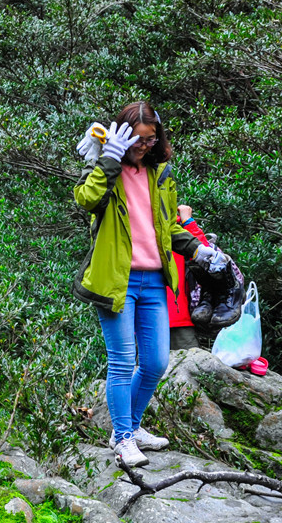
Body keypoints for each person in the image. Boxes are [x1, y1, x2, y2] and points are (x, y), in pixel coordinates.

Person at [72, 101, 230, 468]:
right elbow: (86, 200)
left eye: (150, 138)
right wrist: (107, 159)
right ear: (121, 136)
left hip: (155, 281)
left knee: (157, 361)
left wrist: (198, 251)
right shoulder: (105, 169)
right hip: (117, 281)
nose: (143, 145)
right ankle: (123, 438)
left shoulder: (160, 173)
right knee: (123, 360)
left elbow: (167, 226)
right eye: (136, 139)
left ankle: (132, 427)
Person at [168, 204, 211, 351]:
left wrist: (187, 222)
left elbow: (207, 257)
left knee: (189, 365)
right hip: (145, 320)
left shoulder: (178, 228)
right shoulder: (141, 224)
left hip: (179, 319)